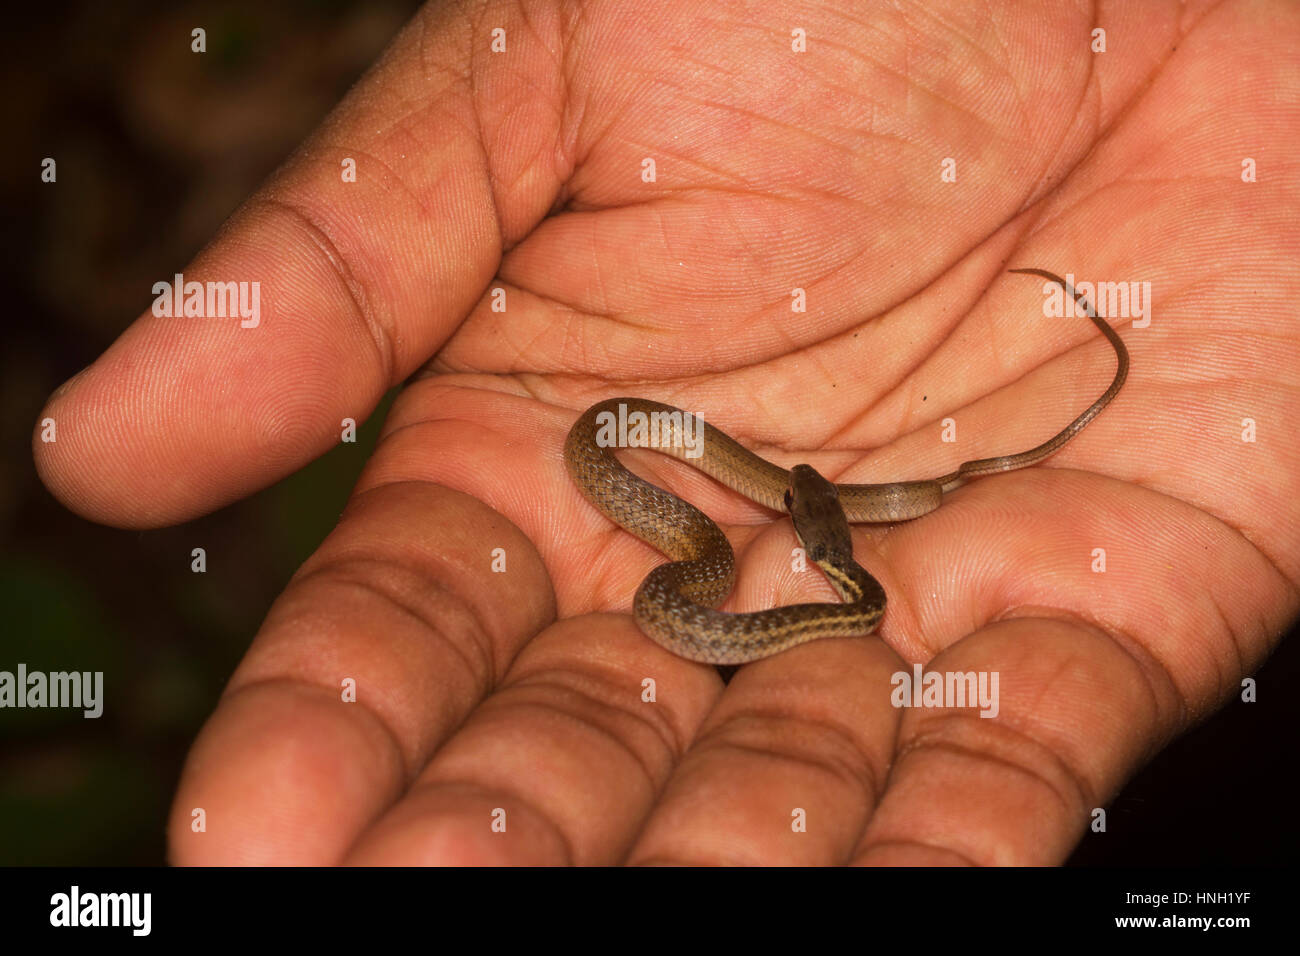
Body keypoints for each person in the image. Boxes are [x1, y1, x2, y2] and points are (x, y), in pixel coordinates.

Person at [33, 1, 1300, 865]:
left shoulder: (827, 576)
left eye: (813, 512)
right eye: (815, 508)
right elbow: (728, 486)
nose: (810, 504)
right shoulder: (761, 530)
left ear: (818, 544)